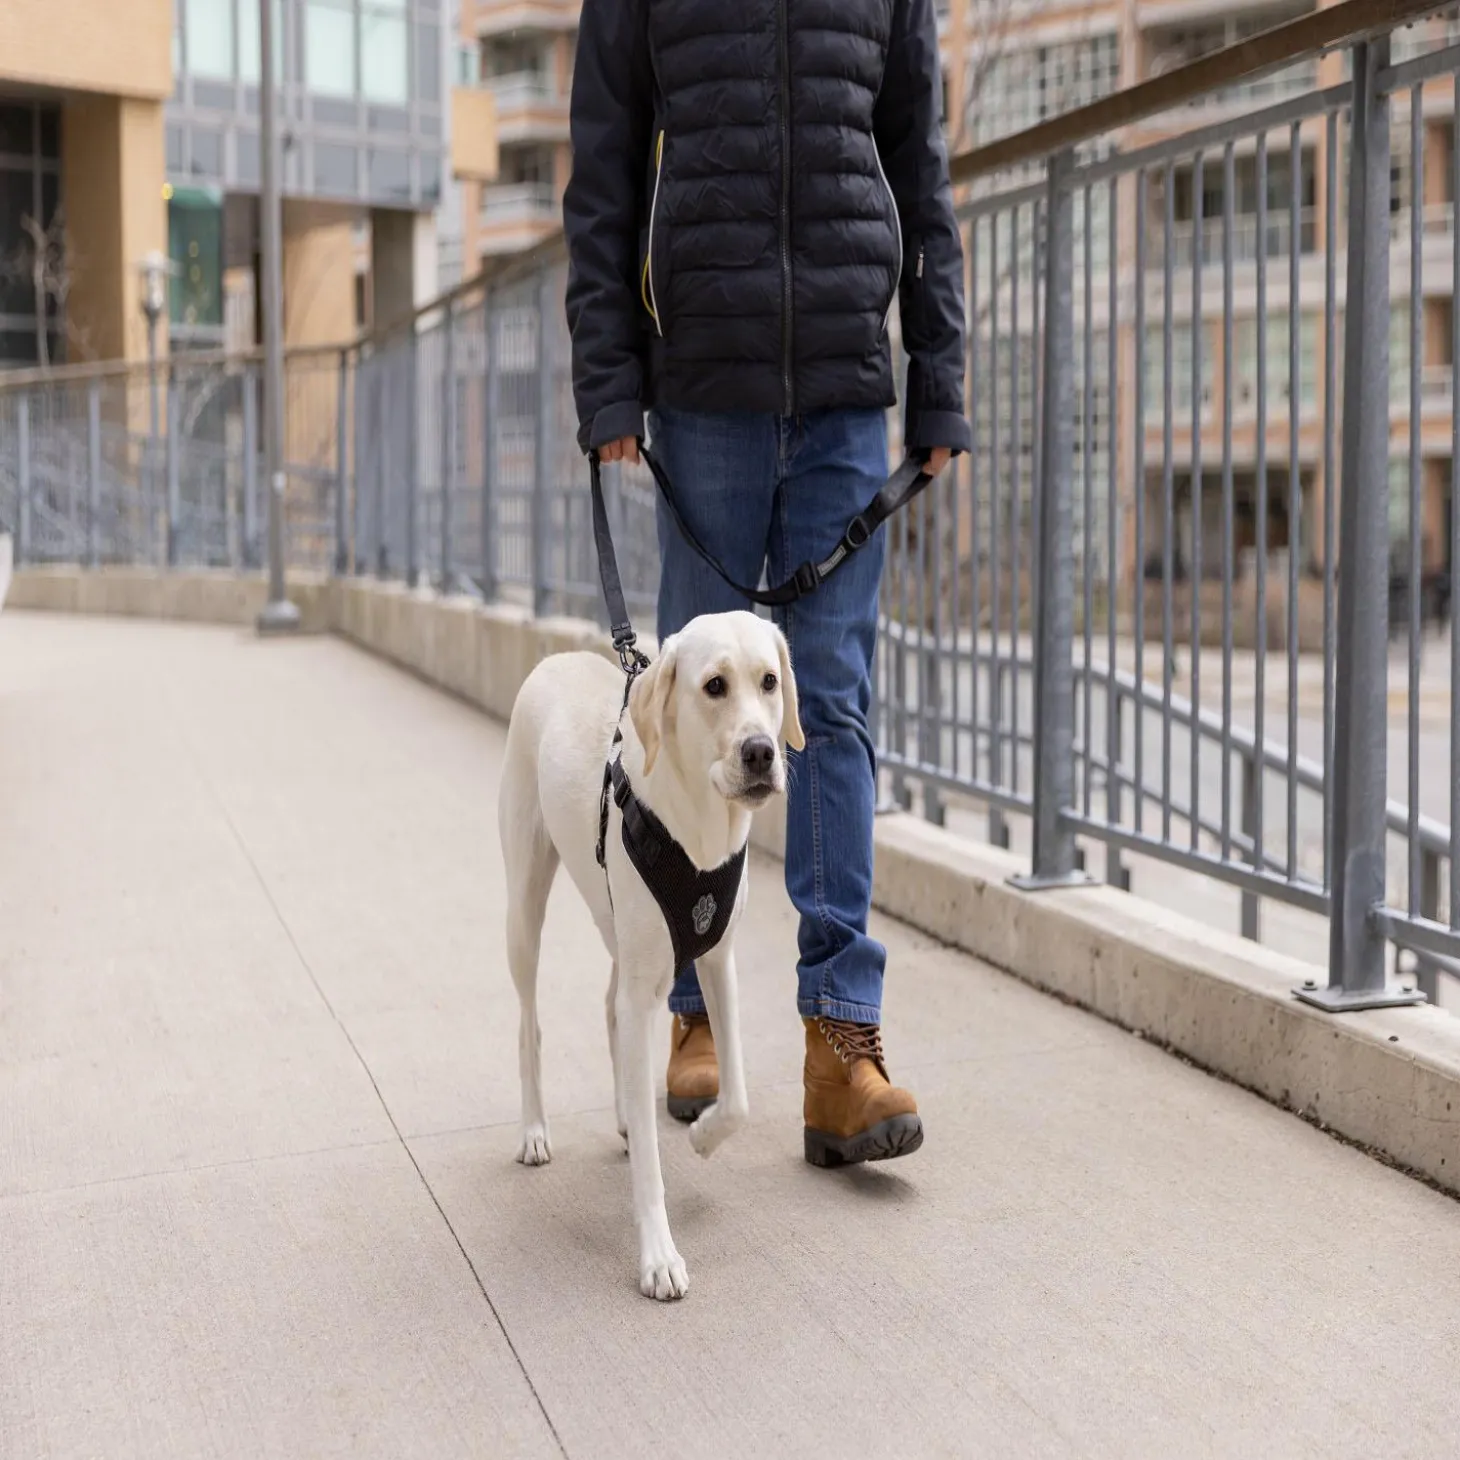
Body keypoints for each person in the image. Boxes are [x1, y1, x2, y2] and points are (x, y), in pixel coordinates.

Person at [564, 0, 969, 1167]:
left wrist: (937, 371)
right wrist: (607, 382)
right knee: (690, 710)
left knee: (827, 705)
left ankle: (840, 1041)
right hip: (700, 388)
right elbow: (602, 164)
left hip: (846, 380)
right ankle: (688, 1014)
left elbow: (915, 152)